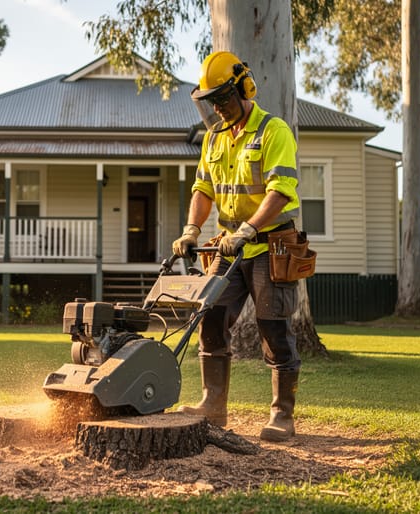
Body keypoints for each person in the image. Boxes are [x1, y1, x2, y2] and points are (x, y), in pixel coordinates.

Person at [173, 50, 302, 442]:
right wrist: (192, 229)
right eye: (212, 100)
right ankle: (214, 404)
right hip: (228, 247)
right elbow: (203, 188)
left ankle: (282, 415)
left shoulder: (273, 131)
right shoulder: (213, 139)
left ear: (244, 88)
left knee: (273, 328)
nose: (219, 107)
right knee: (209, 317)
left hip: (270, 245)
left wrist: (248, 228)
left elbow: (281, 190)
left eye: (224, 98)